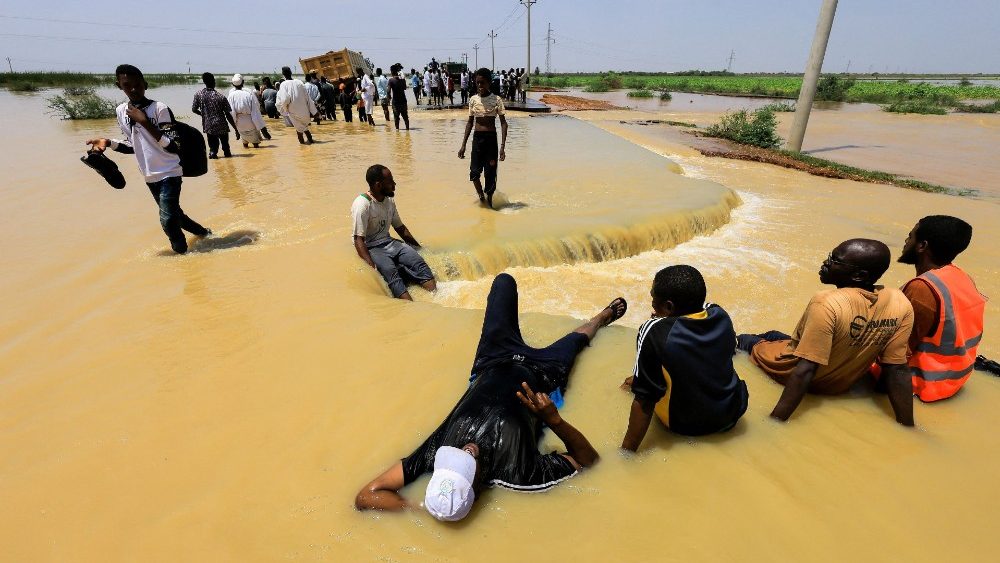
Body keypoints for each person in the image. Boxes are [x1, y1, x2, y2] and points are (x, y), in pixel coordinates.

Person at [355, 272, 627, 520]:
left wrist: (422, 510)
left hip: (493, 360)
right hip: (545, 375)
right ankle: (600, 318)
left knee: (504, 282)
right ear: (477, 489)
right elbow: (589, 461)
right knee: (575, 342)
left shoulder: (436, 453)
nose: (466, 450)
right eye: (467, 463)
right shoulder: (519, 474)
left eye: (454, 459)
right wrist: (554, 420)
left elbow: (367, 495)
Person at [737, 239, 915, 426]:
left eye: (834, 260)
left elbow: (806, 370)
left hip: (792, 373)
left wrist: (776, 421)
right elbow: (897, 368)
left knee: (745, 340)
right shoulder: (899, 302)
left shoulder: (826, 303)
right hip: (841, 384)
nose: (825, 262)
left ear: (858, 275)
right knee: (773, 334)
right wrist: (908, 426)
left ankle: (740, 344)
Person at [620, 265, 749, 451]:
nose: (651, 304)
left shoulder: (653, 332)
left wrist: (626, 453)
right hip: (732, 414)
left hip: (687, 427)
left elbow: (645, 401)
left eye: (653, 298)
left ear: (668, 306)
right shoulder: (720, 315)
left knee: (633, 385)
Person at [87, 64, 211, 254]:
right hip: (149, 175)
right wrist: (108, 142)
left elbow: (173, 146)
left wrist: (145, 122)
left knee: (168, 221)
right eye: (128, 85)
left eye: (138, 84)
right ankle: (205, 233)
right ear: (119, 86)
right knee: (176, 215)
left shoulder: (159, 109)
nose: (134, 89)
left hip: (170, 171)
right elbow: (133, 146)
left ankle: (184, 257)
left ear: (145, 84)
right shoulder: (121, 111)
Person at [897, 216, 987, 401]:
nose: (906, 241)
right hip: (954, 382)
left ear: (922, 246)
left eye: (910, 236)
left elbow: (897, 352)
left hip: (919, 387)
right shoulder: (961, 277)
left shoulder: (922, 288)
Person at [351, 165, 436, 300]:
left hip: (389, 242)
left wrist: (419, 248)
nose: (394, 184)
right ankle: (410, 308)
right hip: (372, 247)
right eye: (390, 181)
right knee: (391, 274)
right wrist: (371, 267)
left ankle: (437, 297)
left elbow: (400, 228)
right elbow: (358, 240)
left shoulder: (389, 201)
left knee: (419, 262)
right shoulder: (362, 204)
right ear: (378, 185)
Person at [458, 68, 508, 208]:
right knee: (474, 173)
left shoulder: (497, 100)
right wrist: (463, 145)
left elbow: (503, 124)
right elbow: (469, 123)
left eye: (483, 83)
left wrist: (502, 148)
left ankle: (489, 204)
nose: (480, 86)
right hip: (477, 139)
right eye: (477, 83)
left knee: (490, 174)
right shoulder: (473, 100)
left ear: (489, 83)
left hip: (491, 140)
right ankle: (481, 197)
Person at [191, 72, 238, 158]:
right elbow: (228, 115)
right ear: (214, 81)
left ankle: (213, 155)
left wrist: (203, 114)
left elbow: (194, 109)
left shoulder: (198, 95)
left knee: (212, 149)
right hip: (222, 125)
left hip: (209, 125)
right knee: (226, 149)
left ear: (204, 82)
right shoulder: (221, 96)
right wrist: (236, 129)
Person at [275, 66, 316, 144]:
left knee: (299, 131)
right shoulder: (299, 82)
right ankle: (311, 143)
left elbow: (284, 99)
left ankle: (303, 148)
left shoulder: (283, 84)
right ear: (291, 73)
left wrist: (285, 109)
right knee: (305, 128)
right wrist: (314, 112)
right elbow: (308, 98)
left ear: (283, 74)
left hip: (293, 112)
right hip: (304, 111)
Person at [227, 74, 266, 148]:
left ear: (232, 84)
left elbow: (231, 112)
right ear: (243, 82)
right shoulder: (248, 94)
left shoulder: (230, 96)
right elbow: (255, 110)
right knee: (255, 142)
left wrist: (235, 126)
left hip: (239, 123)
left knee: (244, 142)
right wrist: (259, 125)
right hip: (250, 121)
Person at [386, 63, 410, 130]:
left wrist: (388, 98)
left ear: (392, 71)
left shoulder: (391, 80)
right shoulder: (402, 80)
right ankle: (407, 130)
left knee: (396, 117)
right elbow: (405, 88)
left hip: (396, 102)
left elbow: (388, 91)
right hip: (403, 101)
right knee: (405, 117)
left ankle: (397, 131)